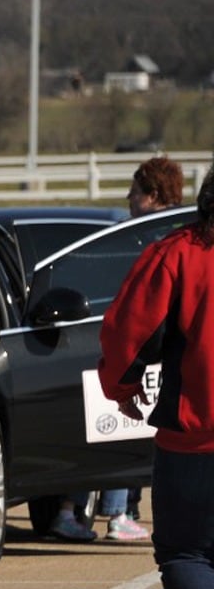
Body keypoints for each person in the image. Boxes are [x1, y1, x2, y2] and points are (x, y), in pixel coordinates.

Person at [99, 169, 214, 589]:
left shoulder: (177, 254)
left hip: (193, 435)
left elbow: (127, 330)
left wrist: (122, 388)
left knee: (187, 554)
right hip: (190, 434)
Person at [50, 156, 184, 543]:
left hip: (119, 345)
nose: (128, 199)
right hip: (133, 350)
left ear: (153, 196)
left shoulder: (145, 241)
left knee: (111, 430)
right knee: (116, 430)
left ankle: (105, 510)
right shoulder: (165, 242)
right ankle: (110, 512)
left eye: (135, 192)